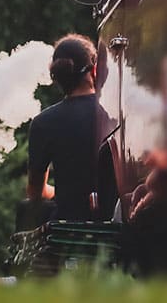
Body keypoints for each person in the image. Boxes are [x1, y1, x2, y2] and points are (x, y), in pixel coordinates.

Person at [26, 34, 113, 222]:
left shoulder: (43, 123)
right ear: (95, 70)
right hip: (115, 221)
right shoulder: (116, 112)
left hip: (67, 227)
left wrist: (65, 192)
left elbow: (35, 194)